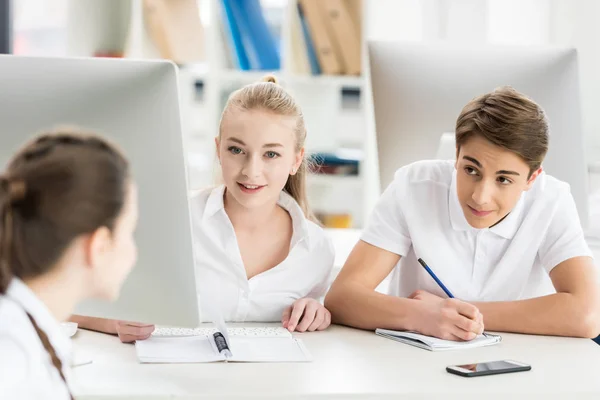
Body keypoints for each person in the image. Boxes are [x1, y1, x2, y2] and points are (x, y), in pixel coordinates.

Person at [325, 86, 600, 341]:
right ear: (456, 154)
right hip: (413, 362)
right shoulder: (414, 185)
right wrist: (423, 316)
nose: (480, 196)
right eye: (471, 170)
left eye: (503, 179)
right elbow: (342, 297)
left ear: (532, 178)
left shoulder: (551, 199)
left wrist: (458, 314)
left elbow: (587, 314)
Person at [76, 75, 335, 342]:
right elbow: (66, 297)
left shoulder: (316, 249)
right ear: (218, 150)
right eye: (236, 150)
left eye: (271, 154)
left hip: (271, 381)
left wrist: (319, 312)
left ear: (296, 160)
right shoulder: (172, 222)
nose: (251, 171)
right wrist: (114, 321)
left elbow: (319, 314)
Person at [0, 130, 138, 399]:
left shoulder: (29, 326)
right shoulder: (13, 355)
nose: (133, 250)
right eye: (130, 232)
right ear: (98, 246)